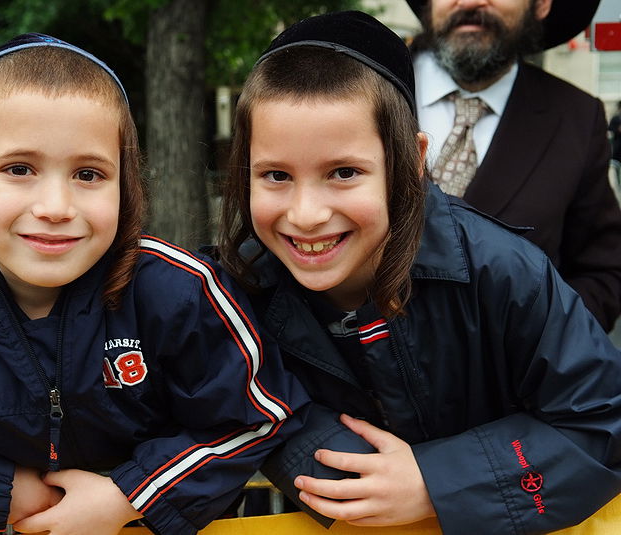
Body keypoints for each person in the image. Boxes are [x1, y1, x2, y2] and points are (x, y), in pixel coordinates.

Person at [0, 33, 308, 535]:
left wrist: (131, 494)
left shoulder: (180, 292)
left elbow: (257, 417)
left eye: (89, 174)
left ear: (126, 185)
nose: (55, 206)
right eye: (19, 169)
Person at [217, 11, 621, 535]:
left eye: (344, 172)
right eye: (275, 175)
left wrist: (437, 482)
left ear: (412, 158)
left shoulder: (506, 272)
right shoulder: (236, 289)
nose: (306, 214)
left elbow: (602, 424)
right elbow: (241, 400)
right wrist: (355, 478)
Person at [405, 0, 621, 332]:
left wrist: (541, 342)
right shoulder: (364, 87)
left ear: (543, 5)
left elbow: (603, 271)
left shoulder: (576, 117)